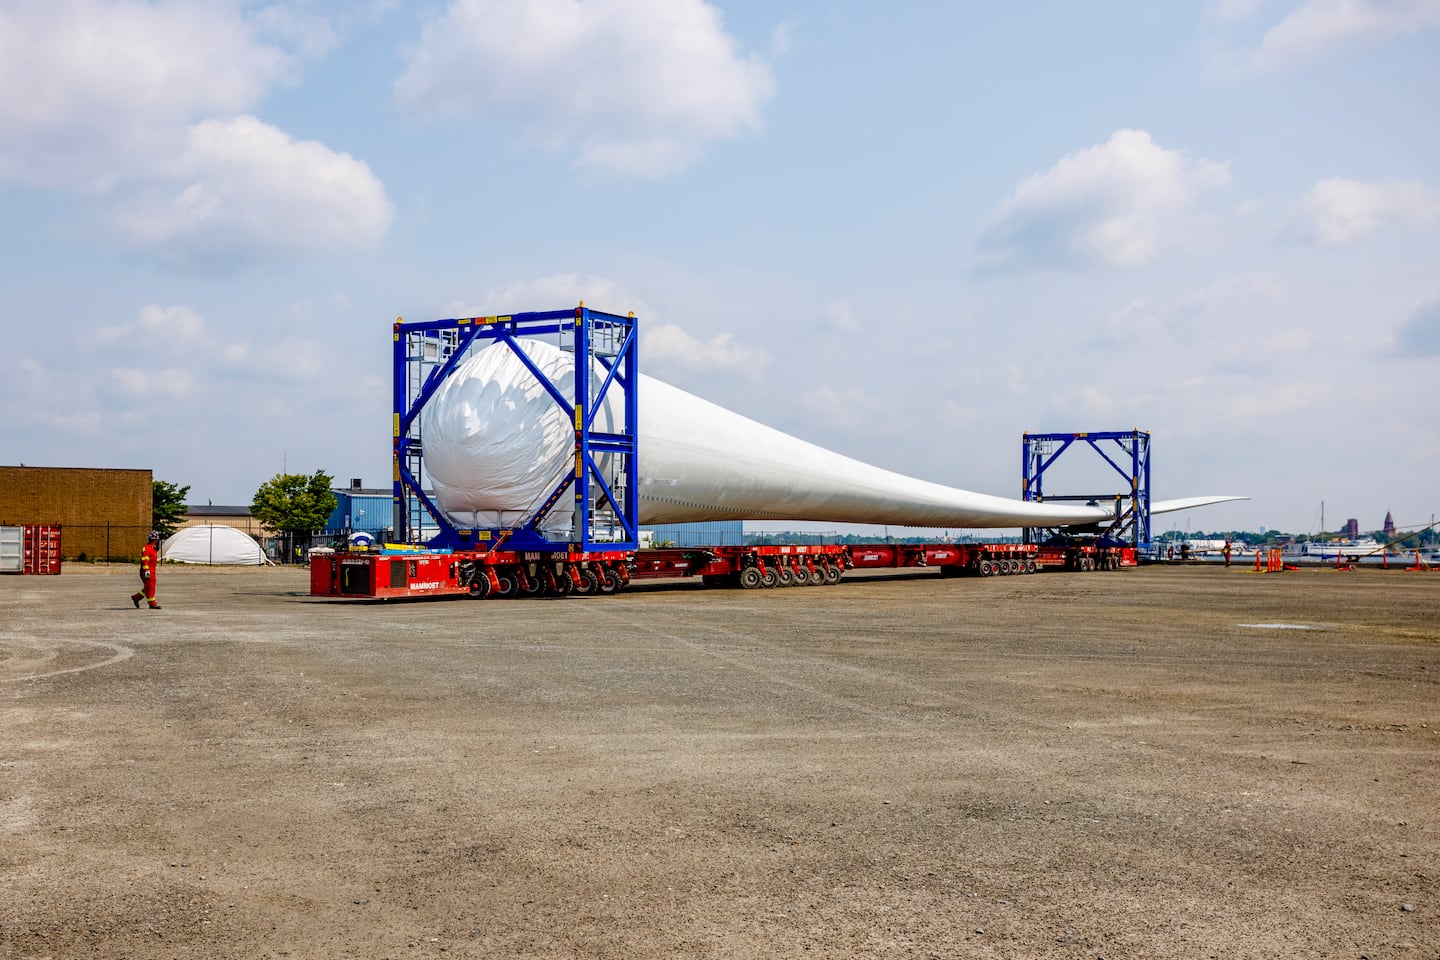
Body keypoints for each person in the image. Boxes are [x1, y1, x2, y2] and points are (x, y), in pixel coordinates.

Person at [131, 532, 161, 610]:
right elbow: (145, 563)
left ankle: (136, 597)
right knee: (150, 587)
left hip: (152, 571)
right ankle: (152, 604)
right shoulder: (147, 549)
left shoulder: (152, 549)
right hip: (147, 572)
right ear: (155, 540)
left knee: (148, 587)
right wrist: (147, 574)